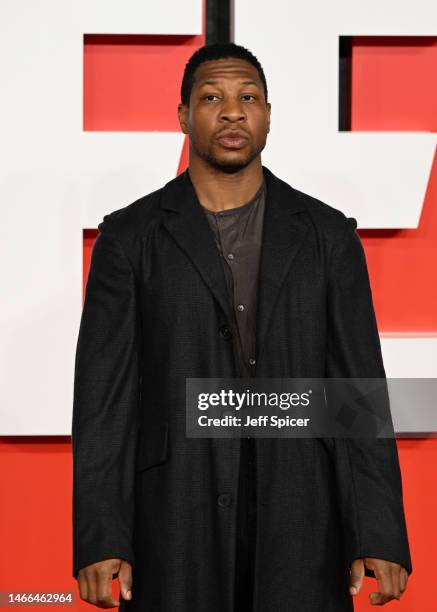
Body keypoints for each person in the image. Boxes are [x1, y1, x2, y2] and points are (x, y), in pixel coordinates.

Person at [72, 43, 412, 611]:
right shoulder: (130, 238)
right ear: (182, 116)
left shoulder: (328, 236)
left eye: (247, 97)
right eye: (212, 98)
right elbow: (104, 401)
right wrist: (103, 534)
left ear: (269, 115)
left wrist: (375, 528)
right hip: (176, 514)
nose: (233, 111)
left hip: (304, 511)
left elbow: (356, 389)